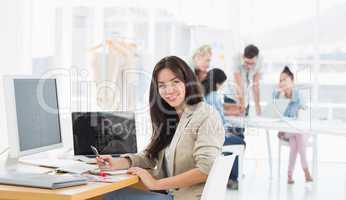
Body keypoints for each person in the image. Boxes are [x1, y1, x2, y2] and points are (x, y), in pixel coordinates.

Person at [97, 56, 225, 200]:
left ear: (187, 82)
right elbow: (150, 155)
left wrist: (156, 184)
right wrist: (117, 163)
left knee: (113, 196)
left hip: (187, 197)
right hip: (171, 194)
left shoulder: (205, 115)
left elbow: (206, 168)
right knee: (113, 194)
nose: (168, 90)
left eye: (175, 82)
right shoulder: (170, 117)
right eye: (162, 85)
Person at [202, 68, 245, 190]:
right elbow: (219, 120)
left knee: (238, 133)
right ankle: (232, 177)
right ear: (217, 83)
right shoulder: (214, 95)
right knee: (240, 140)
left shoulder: (204, 93)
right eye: (222, 83)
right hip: (216, 134)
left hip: (208, 132)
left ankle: (230, 171)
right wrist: (228, 128)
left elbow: (217, 113)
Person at [273, 66, 313, 184]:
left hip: (299, 131)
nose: (281, 82)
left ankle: (290, 175)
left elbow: (304, 115)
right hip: (286, 131)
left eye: (284, 79)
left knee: (296, 141)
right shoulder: (277, 95)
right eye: (280, 80)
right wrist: (280, 97)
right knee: (298, 136)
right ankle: (306, 171)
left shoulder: (298, 94)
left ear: (292, 81)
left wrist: (300, 109)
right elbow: (274, 116)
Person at [233, 44, 263, 116]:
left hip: (246, 97)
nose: (249, 66)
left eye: (252, 63)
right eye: (247, 63)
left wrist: (257, 106)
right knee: (234, 124)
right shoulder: (236, 59)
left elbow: (255, 85)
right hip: (232, 96)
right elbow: (239, 85)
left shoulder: (259, 61)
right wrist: (242, 103)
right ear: (243, 56)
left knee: (244, 124)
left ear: (257, 58)